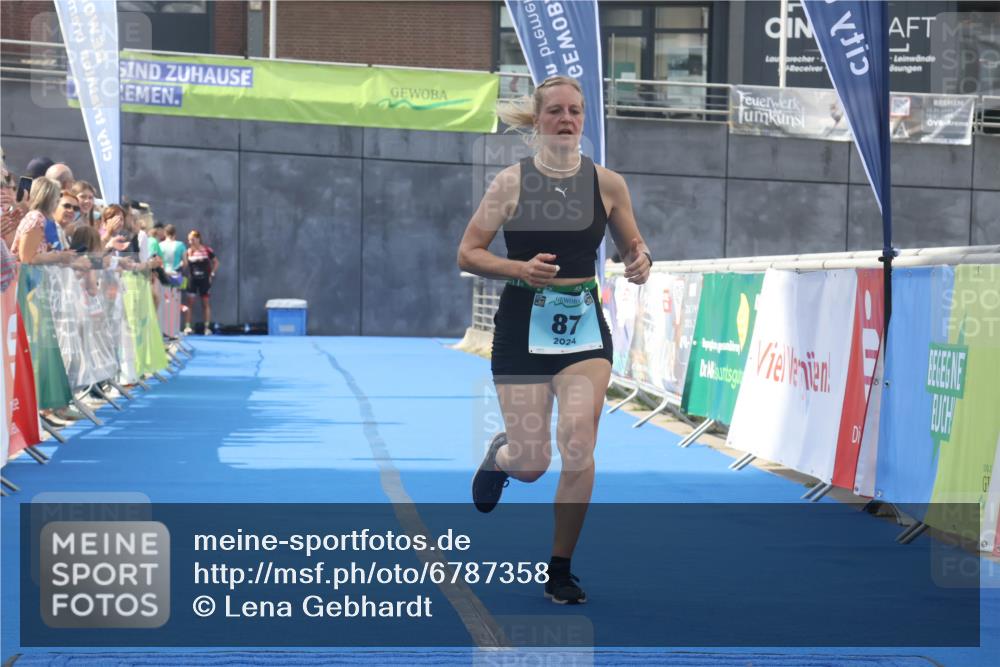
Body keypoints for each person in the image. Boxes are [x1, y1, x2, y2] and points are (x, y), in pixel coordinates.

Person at [457, 75, 652, 605]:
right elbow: (468, 253)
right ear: (538, 121)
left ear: (584, 120)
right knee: (532, 463)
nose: (566, 119)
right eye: (555, 112)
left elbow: (635, 244)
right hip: (523, 322)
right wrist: (519, 267)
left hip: (583, 325)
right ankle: (502, 456)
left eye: (575, 111)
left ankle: (560, 570)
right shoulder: (510, 183)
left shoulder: (608, 184)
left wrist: (640, 260)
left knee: (579, 443)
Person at [11, 177, 73, 265]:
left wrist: (50, 252)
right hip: (24, 276)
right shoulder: (36, 219)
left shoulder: (36, 217)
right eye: (56, 199)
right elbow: (27, 258)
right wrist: (59, 256)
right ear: (48, 199)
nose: (58, 203)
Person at [183, 230, 219, 335]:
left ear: (198, 239)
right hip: (192, 280)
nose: (190, 242)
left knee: (205, 304)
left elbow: (216, 262)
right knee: (189, 303)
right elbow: (184, 264)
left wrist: (212, 273)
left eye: (192, 239)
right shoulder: (188, 251)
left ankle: (207, 328)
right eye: (189, 240)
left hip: (204, 280)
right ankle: (187, 327)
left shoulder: (207, 250)